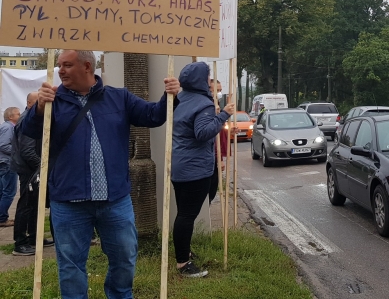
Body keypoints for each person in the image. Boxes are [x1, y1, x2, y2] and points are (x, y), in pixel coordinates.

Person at [19, 50, 180, 299]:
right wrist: (39, 107)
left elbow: (153, 115)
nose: (60, 70)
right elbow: (26, 130)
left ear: (87, 66)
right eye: (59, 65)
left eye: (67, 65)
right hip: (69, 201)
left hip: (115, 200)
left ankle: (120, 294)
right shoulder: (52, 100)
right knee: (71, 265)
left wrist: (170, 96)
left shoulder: (119, 97)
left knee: (125, 257)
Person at [171, 62, 234, 278]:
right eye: (207, 77)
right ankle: (183, 263)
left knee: (183, 213)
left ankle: (185, 252)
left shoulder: (180, 98)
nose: (209, 81)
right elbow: (203, 133)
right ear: (200, 79)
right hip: (195, 169)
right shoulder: (203, 103)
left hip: (179, 165)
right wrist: (223, 115)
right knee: (187, 216)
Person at [11, 92, 55, 256]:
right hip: (28, 170)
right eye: (38, 102)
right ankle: (20, 243)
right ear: (30, 103)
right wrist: (43, 167)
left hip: (33, 169)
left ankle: (34, 238)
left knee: (35, 204)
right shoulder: (26, 120)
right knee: (26, 205)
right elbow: (27, 151)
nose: (43, 105)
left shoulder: (33, 118)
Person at [0, 107, 21, 227]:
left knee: (3, 191)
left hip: (4, 162)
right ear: (10, 117)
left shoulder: (6, 127)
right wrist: (17, 152)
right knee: (9, 192)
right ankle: (2, 218)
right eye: (18, 114)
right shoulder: (8, 128)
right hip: (7, 163)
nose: (20, 115)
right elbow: (3, 145)